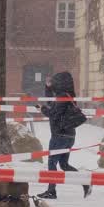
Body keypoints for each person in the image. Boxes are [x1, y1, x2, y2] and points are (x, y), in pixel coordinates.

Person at [38, 71, 91, 199]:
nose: (54, 83)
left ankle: (51, 191)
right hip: (69, 136)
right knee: (64, 165)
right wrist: (48, 88)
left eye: (55, 82)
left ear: (60, 83)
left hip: (59, 136)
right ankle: (85, 183)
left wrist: (42, 109)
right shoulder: (69, 96)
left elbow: (53, 113)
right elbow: (53, 104)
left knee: (52, 163)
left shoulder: (62, 97)